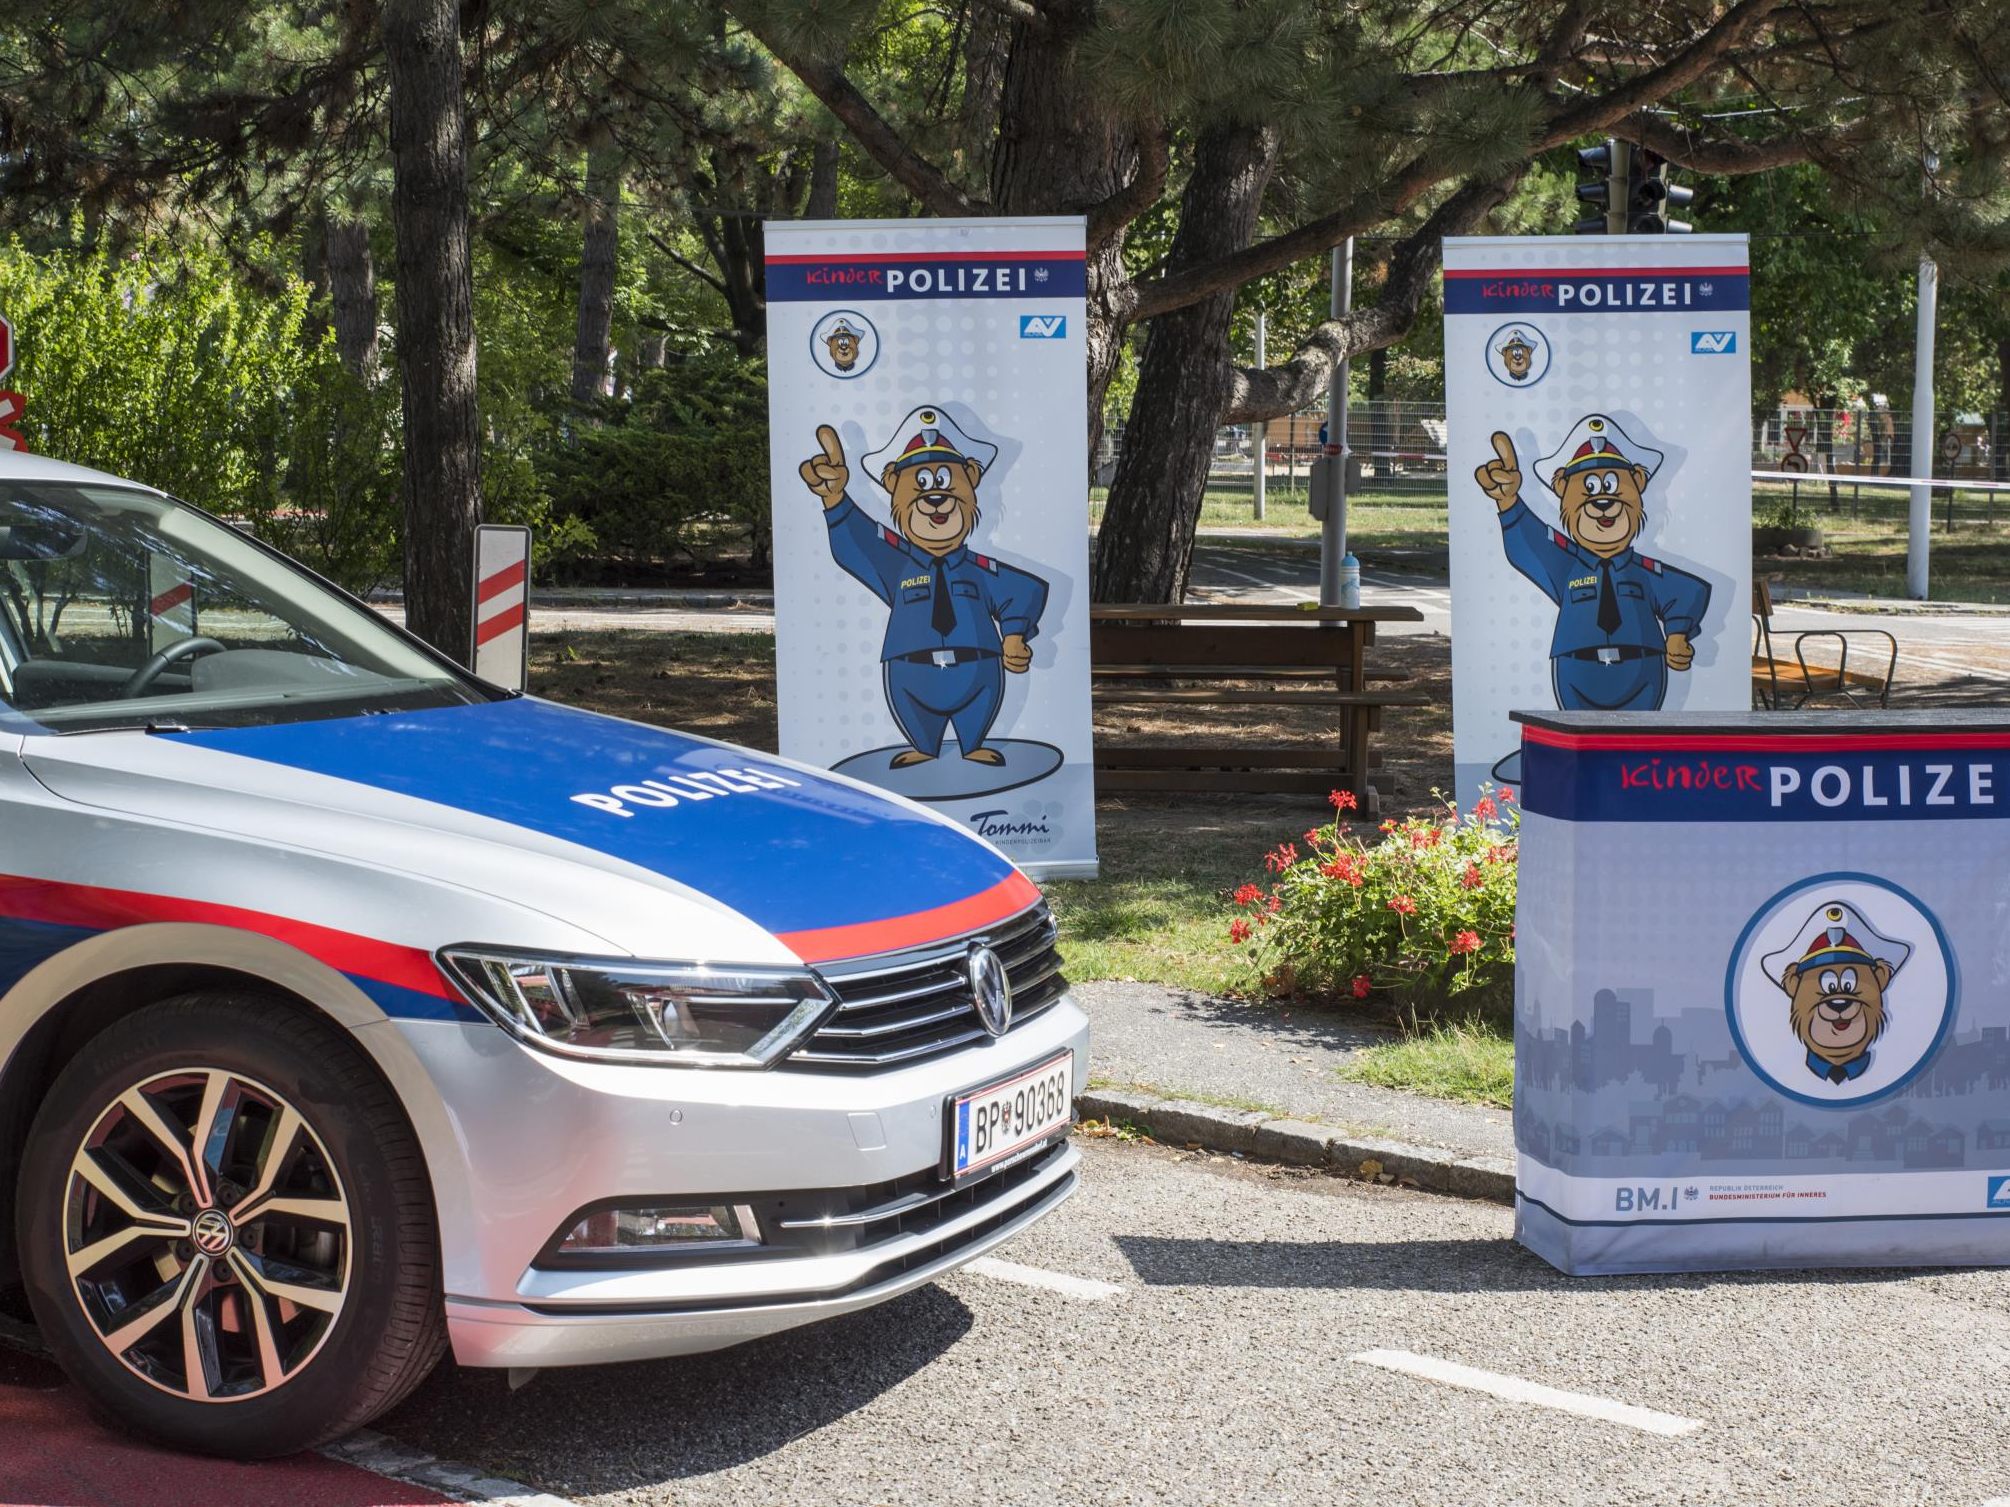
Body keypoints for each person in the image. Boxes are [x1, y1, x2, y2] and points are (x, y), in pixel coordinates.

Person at [797, 407, 1048, 766]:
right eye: (921, 486)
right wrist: (835, 500)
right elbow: (859, 544)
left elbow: (1022, 590)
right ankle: (924, 745)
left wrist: (1013, 635)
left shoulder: (978, 569)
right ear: (894, 491)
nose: (935, 499)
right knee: (914, 714)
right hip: (909, 674)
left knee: (978, 713)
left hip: (978, 673)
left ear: (970, 484)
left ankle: (973, 742)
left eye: (946, 483)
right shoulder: (895, 562)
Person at [1474, 413, 1711, 712]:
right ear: (1563, 492)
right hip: (1576, 670)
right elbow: (1529, 545)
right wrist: (1508, 503)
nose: (1602, 503)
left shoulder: (1645, 571)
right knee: (1580, 745)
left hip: (1642, 671)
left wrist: (1677, 634)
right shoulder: (1565, 564)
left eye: (1612, 486)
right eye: (1588, 490)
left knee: (1634, 747)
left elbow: (1686, 591)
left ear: (1637, 486)